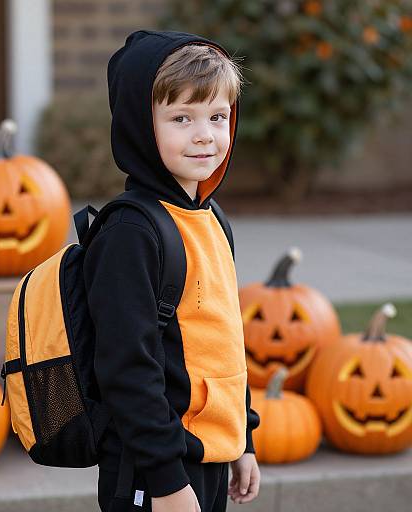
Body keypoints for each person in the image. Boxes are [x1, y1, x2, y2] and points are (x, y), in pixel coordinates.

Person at [83, 29, 261, 512]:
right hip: (153, 467)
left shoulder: (209, 217)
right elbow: (126, 368)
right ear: (142, 126)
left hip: (207, 455)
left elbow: (222, 340)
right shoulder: (132, 232)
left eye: (218, 116)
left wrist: (242, 438)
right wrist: (165, 481)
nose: (205, 134)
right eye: (181, 117)